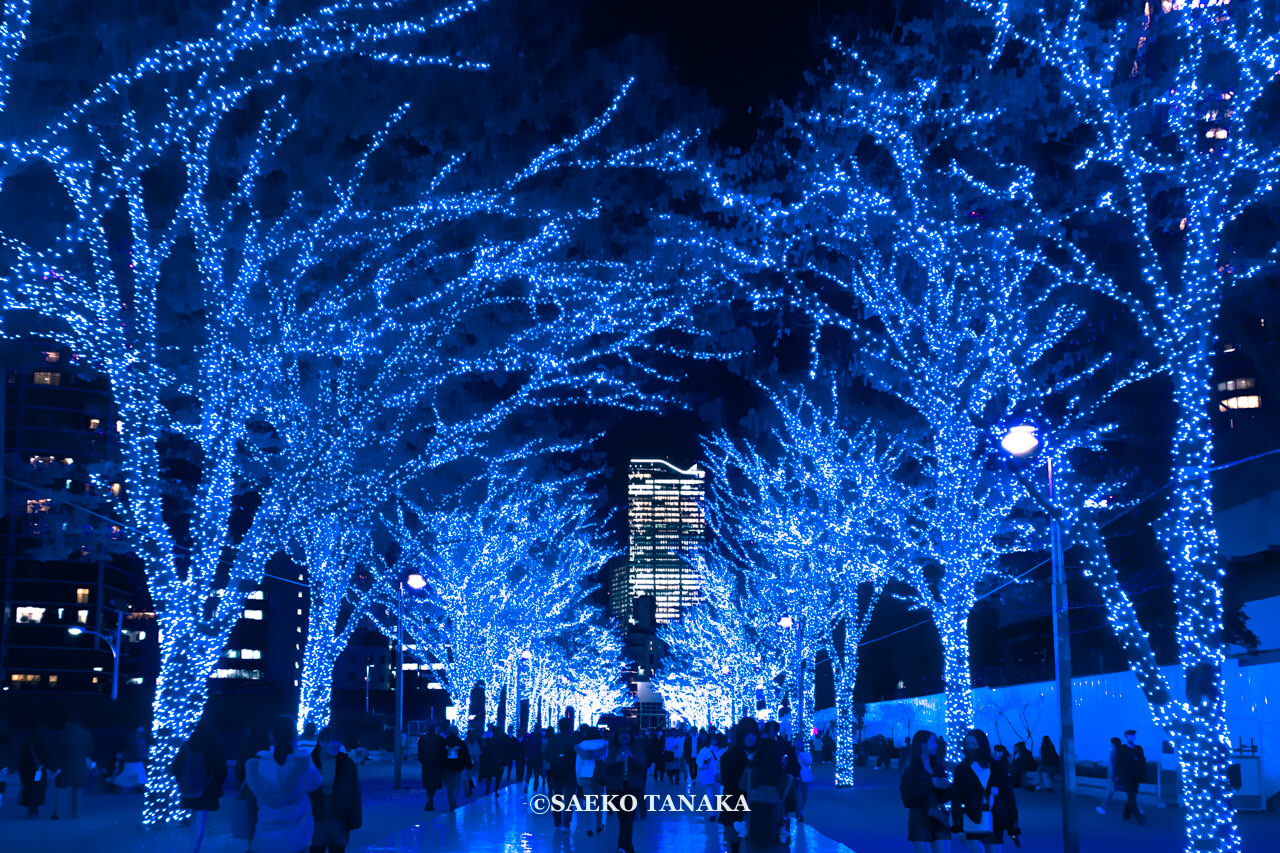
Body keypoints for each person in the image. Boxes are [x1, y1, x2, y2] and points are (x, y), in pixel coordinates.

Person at [244, 717, 323, 853]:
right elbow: (316, 784)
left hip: (264, 836)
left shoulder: (257, 765)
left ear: (271, 736)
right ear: (294, 735)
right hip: (296, 837)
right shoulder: (303, 762)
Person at [951, 729, 1018, 853]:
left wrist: (1013, 823)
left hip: (995, 817)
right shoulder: (961, 769)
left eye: (973, 744)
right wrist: (958, 825)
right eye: (967, 744)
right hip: (972, 816)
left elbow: (1008, 795)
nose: (969, 747)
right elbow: (956, 798)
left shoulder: (996, 766)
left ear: (981, 744)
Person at [171, 722, 228, 853]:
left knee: (194, 818)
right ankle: (194, 849)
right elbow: (221, 771)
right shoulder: (214, 746)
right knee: (200, 820)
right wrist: (217, 785)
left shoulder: (188, 746)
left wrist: (182, 781)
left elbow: (176, 767)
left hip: (189, 789)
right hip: (207, 790)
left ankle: (194, 846)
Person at [309, 727, 361, 853]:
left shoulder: (347, 764)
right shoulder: (310, 762)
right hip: (316, 818)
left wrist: (354, 819)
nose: (337, 744)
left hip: (339, 818)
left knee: (338, 848)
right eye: (333, 741)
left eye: (339, 741)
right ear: (321, 742)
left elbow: (354, 793)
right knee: (316, 848)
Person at [900, 729, 951, 853]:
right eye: (933, 742)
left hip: (938, 817)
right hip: (920, 818)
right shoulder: (911, 769)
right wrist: (930, 784)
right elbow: (907, 799)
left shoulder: (938, 767)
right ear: (923, 744)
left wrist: (947, 787)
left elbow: (944, 797)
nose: (936, 745)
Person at [601, 723, 645, 853]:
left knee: (628, 818)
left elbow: (643, 764)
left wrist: (632, 757)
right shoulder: (612, 749)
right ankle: (626, 847)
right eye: (621, 737)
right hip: (617, 789)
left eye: (626, 737)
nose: (624, 739)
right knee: (623, 818)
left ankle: (623, 847)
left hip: (631, 788)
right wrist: (616, 759)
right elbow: (606, 765)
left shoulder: (636, 748)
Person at [718, 718, 759, 853]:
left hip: (756, 806)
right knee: (735, 843)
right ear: (741, 734)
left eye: (753, 734)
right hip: (735, 805)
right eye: (747, 734)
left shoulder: (761, 755)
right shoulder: (729, 756)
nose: (751, 738)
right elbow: (728, 782)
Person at [50, 715, 93, 820]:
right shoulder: (86, 734)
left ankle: (58, 813)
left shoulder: (62, 734)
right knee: (77, 789)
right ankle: (75, 813)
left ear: (68, 723)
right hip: (79, 766)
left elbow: (57, 751)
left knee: (60, 788)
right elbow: (90, 750)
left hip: (64, 766)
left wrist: (55, 766)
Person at [575, 724, 608, 836]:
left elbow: (578, 765)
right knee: (599, 801)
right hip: (600, 775)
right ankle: (599, 825)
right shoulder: (605, 744)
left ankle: (589, 828)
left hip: (586, 775)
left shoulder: (581, 745)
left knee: (588, 803)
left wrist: (578, 780)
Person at [544, 718, 576, 831]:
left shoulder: (553, 739)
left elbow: (547, 755)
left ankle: (557, 820)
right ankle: (566, 823)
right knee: (569, 798)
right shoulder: (573, 739)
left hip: (556, 770)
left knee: (557, 796)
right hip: (570, 772)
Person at [19, 723, 53, 818]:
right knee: (38, 790)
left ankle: (31, 810)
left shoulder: (28, 744)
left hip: (28, 771)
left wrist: (22, 774)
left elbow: (22, 760)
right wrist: (52, 767)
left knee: (30, 790)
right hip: (40, 771)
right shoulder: (45, 743)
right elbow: (48, 758)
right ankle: (35, 809)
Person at [1116, 729, 1147, 826]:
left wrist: (1142, 774)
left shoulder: (1138, 748)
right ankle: (1138, 817)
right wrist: (1118, 777)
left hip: (1136, 777)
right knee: (1132, 797)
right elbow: (1118, 764)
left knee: (1131, 797)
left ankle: (1126, 816)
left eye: (1133, 735)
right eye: (1130, 735)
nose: (1133, 736)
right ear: (1126, 737)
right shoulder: (1122, 749)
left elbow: (1142, 762)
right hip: (1126, 777)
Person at [440, 725, 471, 811]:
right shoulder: (461, 743)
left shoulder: (444, 742)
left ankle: (451, 801)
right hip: (458, 768)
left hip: (446, 768)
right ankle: (453, 801)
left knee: (449, 786)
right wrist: (468, 766)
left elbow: (440, 756)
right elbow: (466, 755)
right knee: (456, 786)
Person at [417, 724, 443, 811]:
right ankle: (430, 799)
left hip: (426, 763)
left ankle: (429, 799)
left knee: (428, 783)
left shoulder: (422, 739)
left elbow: (419, 751)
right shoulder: (439, 738)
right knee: (434, 783)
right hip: (436, 763)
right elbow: (442, 751)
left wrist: (422, 759)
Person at [1097, 736, 1124, 815]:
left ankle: (1103, 808)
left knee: (1109, 792)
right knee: (1111, 792)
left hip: (1113, 776)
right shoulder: (1120, 750)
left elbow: (1114, 764)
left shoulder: (1114, 751)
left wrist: (1114, 776)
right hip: (1117, 775)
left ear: (1112, 743)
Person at [795, 737, 814, 824]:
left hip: (804, 777)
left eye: (799, 742)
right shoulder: (791, 753)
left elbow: (809, 762)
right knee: (798, 795)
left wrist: (800, 755)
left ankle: (799, 810)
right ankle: (800, 813)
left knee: (804, 796)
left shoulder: (806, 753)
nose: (798, 744)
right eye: (796, 742)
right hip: (796, 777)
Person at [522, 727, 543, 792]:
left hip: (529, 757)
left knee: (528, 773)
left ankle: (526, 785)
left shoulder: (528, 737)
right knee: (536, 774)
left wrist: (525, 755)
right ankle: (535, 787)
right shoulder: (541, 738)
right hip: (537, 758)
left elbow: (523, 746)